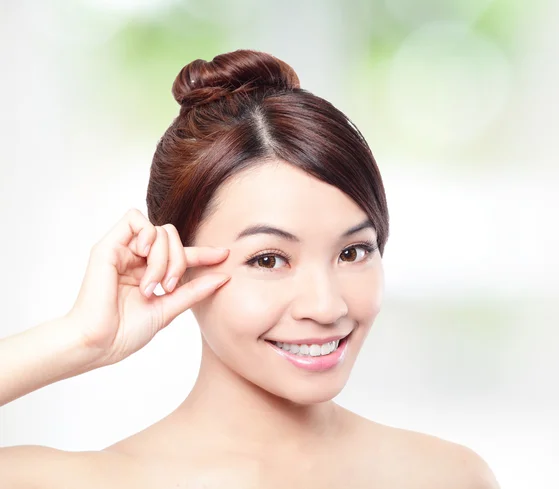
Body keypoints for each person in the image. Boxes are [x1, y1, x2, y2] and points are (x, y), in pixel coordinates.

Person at [0, 49, 500, 488]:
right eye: (268, 259)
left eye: (353, 252)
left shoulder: (450, 478)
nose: (326, 306)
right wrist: (78, 340)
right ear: (179, 264)